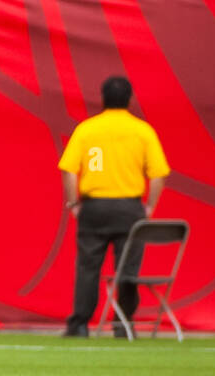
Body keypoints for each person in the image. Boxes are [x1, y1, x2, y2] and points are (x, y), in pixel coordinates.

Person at [59, 75, 170, 338]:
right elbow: (159, 174)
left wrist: (74, 203)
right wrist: (150, 206)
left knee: (88, 266)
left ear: (103, 99)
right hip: (129, 208)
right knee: (128, 269)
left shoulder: (87, 129)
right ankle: (123, 324)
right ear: (130, 100)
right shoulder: (142, 130)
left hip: (94, 208)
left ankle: (79, 325)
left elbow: (69, 170)